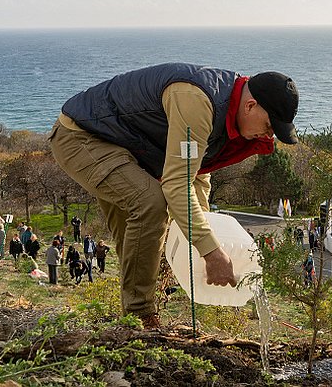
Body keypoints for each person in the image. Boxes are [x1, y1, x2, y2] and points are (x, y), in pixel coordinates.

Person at [50, 64, 299, 328]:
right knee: (150, 204)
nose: (270, 134)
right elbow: (177, 183)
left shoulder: (228, 109)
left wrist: (205, 231)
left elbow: (198, 172)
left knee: (137, 239)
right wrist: (211, 252)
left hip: (126, 147)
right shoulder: (197, 100)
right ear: (250, 106)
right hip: (81, 138)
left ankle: (133, 324)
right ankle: (140, 318)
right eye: (270, 125)